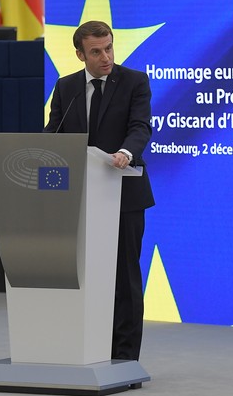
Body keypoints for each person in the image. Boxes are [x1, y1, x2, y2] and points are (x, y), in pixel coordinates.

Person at [44, 20, 154, 361]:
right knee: (84, 278)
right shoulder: (66, 87)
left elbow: (140, 127)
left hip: (123, 194)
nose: (105, 56)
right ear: (80, 55)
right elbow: (54, 134)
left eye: (108, 48)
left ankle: (124, 358)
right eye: (96, 51)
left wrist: (125, 152)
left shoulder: (134, 81)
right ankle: (90, 350)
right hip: (78, 197)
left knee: (124, 278)